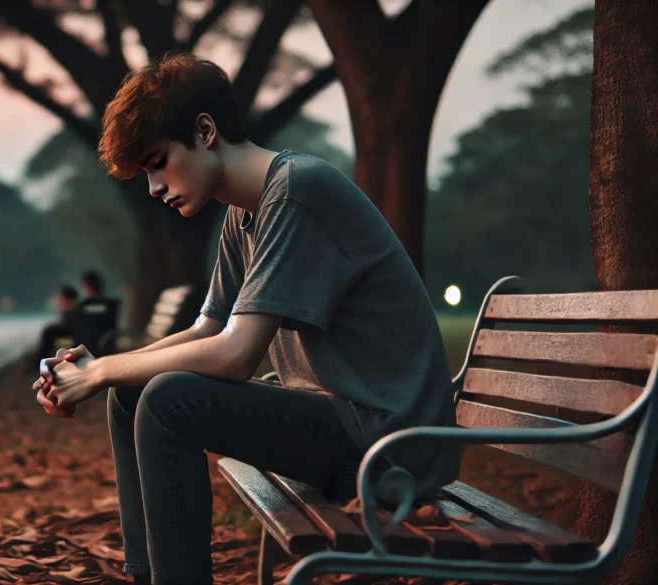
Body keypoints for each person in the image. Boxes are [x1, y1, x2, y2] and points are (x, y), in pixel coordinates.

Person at [32, 53, 458, 585]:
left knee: (168, 401)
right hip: (347, 425)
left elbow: (235, 355)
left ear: (205, 131)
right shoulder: (245, 212)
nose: (154, 188)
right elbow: (208, 328)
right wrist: (105, 367)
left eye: (158, 162)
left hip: (391, 446)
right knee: (133, 393)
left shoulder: (298, 191)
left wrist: (98, 372)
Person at [33, 285, 80, 370]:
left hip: (75, 336)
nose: (59, 301)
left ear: (66, 299)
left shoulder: (73, 311)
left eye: (61, 298)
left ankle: (39, 366)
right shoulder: (72, 310)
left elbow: (66, 326)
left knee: (48, 331)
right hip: (73, 334)